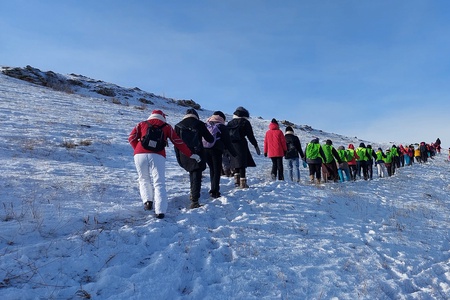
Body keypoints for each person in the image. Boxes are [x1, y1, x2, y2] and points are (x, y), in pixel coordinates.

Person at [128, 109, 200, 219]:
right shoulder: (166, 127)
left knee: (143, 178)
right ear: (162, 117)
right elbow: (178, 142)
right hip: (158, 155)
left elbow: (131, 138)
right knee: (159, 182)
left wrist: (137, 149)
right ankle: (160, 211)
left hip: (139, 154)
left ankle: (148, 202)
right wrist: (190, 154)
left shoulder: (141, 124)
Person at [175, 108, 214, 209]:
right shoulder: (200, 124)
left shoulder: (178, 125)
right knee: (196, 175)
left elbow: (176, 144)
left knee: (192, 173)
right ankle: (194, 199)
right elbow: (209, 139)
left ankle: (193, 194)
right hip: (198, 152)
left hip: (184, 153)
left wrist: (178, 157)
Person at [203, 111, 237, 198]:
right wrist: (234, 154)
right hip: (216, 150)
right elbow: (228, 142)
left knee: (212, 169)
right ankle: (215, 191)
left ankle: (213, 188)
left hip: (205, 149)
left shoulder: (206, 124)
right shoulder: (221, 126)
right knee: (217, 170)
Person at [227, 106, 261, 188]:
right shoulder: (245, 122)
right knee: (242, 163)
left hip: (231, 145)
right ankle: (243, 183)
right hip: (241, 144)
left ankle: (236, 181)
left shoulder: (230, 122)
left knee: (235, 163)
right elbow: (250, 135)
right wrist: (255, 145)